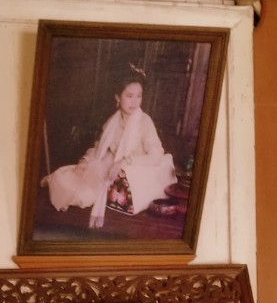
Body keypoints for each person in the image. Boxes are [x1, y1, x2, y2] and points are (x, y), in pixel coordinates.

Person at [42, 74, 177, 229]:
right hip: (108, 164)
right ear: (117, 97)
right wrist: (85, 160)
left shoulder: (144, 122)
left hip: (132, 171)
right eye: (129, 96)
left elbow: (156, 155)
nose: (135, 102)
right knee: (62, 177)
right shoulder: (113, 120)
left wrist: (126, 160)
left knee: (86, 195)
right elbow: (99, 147)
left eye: (139, 96)